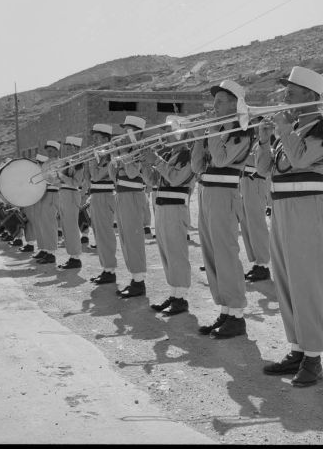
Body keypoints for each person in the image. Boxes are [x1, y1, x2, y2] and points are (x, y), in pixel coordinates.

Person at [258, 66, 323, 387]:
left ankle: (314, 357)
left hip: (308, 208)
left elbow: (301, 161)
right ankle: (297, 348)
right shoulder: (289, 130)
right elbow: (265, 170)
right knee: (286, 282)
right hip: (280, 209)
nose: (285, 96)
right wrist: (265, 141)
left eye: (291, 91)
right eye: (286, 90)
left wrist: (283, 130)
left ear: (310, 95)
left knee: (307, 282)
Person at [191, 79, 253, 339]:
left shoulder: (242, 130)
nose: (213, 107)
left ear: (234, 104)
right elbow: (197, 167)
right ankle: (225, 310)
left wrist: (213, 131)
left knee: (226, 253)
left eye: (219, 102)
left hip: (224, 193)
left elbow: (220, 159)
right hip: (207, 191)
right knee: (211, 254)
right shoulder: (214, 130)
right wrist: (197, 139)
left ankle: (237, 315)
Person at [140, 124, 195, 316]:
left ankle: (181, 298)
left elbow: (176, 179)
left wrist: (156, 159)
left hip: (176, 207)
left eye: (170, 134)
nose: (165, 137)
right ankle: (174, 293)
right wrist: (146, 164)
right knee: (166, 252)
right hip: (162, 207)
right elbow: (153, 181)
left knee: (176, 252)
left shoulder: (188, 155)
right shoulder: (170, 154)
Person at [108, 116, 148, 298]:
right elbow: (113, 176)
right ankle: (134, 278)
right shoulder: (126, 150)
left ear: (137, 132)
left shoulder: (140, 149)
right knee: (125, 238)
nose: (125, 133)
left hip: (133, 195)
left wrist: (123, 154)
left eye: (128, 129)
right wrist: (113, 157)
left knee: (133, 238)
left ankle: (139, 282)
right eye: (124, 129)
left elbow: (132, 173)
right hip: (122, 195)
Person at [87, 124, 118, 285]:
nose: (95, 142)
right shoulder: (100, 155)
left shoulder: (111, 156)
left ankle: (110, 270)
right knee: (99, 234)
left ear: (106, 139)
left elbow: (97, 175)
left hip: (105, 196)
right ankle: (106, 268)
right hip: (97, 196)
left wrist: (92, 160)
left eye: (97, 138)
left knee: (105, 234)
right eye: (94, 139)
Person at [240, 122, 271, 282]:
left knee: (256, 224)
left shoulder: (265, 141)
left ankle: (264, 264)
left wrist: (239, 153)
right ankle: (257, 262)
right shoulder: (252, 142)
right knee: (247, 224)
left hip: (256, 182)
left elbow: (257, 161)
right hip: (245, 182)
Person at [57, 136, 85, 270]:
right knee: (66, 227)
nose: (67, 150)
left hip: (72, 194)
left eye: (69, 148)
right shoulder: (67, 162)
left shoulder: (80, 163)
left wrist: (61, 176)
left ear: (75, 148)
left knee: (72, 227)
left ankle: (76, 257)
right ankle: (72, 256)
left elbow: (76, 183)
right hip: (63, 194)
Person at [32, 140, 61, 265]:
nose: (48, 153)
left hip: (54, 194)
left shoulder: (60, 163)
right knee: (44, 224)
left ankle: (52, 253)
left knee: (50, 224)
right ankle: (46, 250)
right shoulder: (46, 164)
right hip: (44, 194)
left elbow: (56, 180)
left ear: (56, 151)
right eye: (47, 151)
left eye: (51, 151)